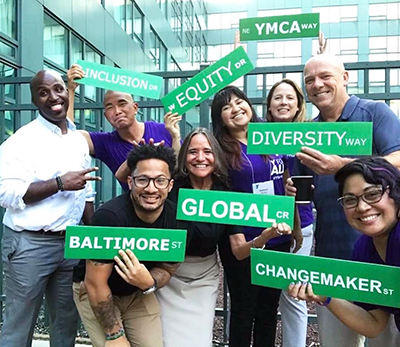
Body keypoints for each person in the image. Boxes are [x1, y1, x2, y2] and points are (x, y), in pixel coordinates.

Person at [287, 54, 400, 346]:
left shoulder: (376, 112)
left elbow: (398, 159)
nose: (317, 84)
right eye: (309, 80)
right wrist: (293, 201)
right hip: (332, 257)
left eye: (325, 76)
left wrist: (342, 166)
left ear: (345, 78)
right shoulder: (306, 132)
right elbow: (302, 194)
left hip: (386, 256)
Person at [0, 70, 100, 346]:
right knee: (19, 326)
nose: (54, 97)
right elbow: (6, 194)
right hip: (29, 245)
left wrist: (93, 242)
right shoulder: (21, 141)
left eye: (58, 89)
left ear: (68, 92)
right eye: (44, 93)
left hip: (71, 244)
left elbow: (86, 194)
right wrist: (58, 183)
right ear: (34, 100)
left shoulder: (78, 140)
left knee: (66, 323)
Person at [211, 85, 301, 347]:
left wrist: (293, 224)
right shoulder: (220, 149)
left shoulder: (270, 138)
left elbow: (284, 181)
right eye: (227, 107)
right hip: (244, 239)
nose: (236, 109)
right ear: (221, 119)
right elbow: (221, 196)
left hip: (277, 236)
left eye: (239, 102)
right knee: (243, 311)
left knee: (268, 310)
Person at [72, 144, 182, 347]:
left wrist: (150, 282)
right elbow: (95, 284)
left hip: (136, 292)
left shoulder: (175, 219)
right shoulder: (109, 217)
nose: (151, 188)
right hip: (97, 291)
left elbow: (168, 268)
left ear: (170, 185)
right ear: (130, 182)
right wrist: (114, 335)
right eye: (143, 180)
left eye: (160, 181)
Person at [289, 157, 400, 347]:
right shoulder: (364, 249)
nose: (362, 207)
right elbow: (374, 323)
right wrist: (324, 296)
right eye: (350, 200)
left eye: (372, 194)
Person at [67, 64, 181, 190]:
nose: (117, 111)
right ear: (106, 116)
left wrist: (176, 137)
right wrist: (71, 90)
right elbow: (68, 136)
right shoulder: (104, 143)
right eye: (110, 107)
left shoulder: (163, 130)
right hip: (136, 207)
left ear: (135, 108)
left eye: (122, 104)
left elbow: (179, 168)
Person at [265, 79, 313, 347]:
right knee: (264, 296)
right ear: (269, 107)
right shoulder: (258, 136)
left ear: (298, 106)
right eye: (277, 98)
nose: (283, 102)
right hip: (262, 226)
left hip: (300, 225)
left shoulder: (309, 134)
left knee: (294, 295)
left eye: (289, 98)